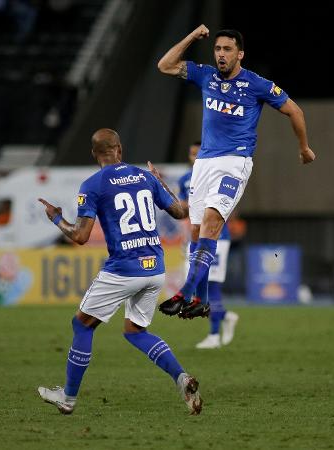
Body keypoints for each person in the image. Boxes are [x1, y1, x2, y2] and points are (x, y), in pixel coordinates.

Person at [37, 128, 203, 415]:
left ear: (94, 154)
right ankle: (181, 377)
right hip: (155, 267)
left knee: (82, 324)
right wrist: (162, 183)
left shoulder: (93, 184)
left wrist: (56, 218)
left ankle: (68, 398)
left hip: (124, 268)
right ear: (120, 150)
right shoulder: (146, 176)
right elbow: (180, 212)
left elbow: (80, 236)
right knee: (135, 331)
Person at [157, 25, 316, 319]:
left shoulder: (256, 84)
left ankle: (185, 292)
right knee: (196, 233)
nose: (221, 54)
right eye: (217, 49)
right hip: (204, 163)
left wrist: (304, 148)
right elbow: (164, 65)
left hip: (234, 162)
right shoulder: (205, 75)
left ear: (239, 54)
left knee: (211, 224)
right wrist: (192, 37)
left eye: (227, 49)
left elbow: (295, 110)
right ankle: (201, 301)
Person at [177, 141, 238, 349]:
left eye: (198, 153)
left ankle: (213, 335)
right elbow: (184, 211)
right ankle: (225, 316)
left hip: (217, 238)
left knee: (211, 284)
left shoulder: (217, 174)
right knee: (198, 286)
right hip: (195, 238)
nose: (194, 158)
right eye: (192, 154)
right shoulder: (185, 179)